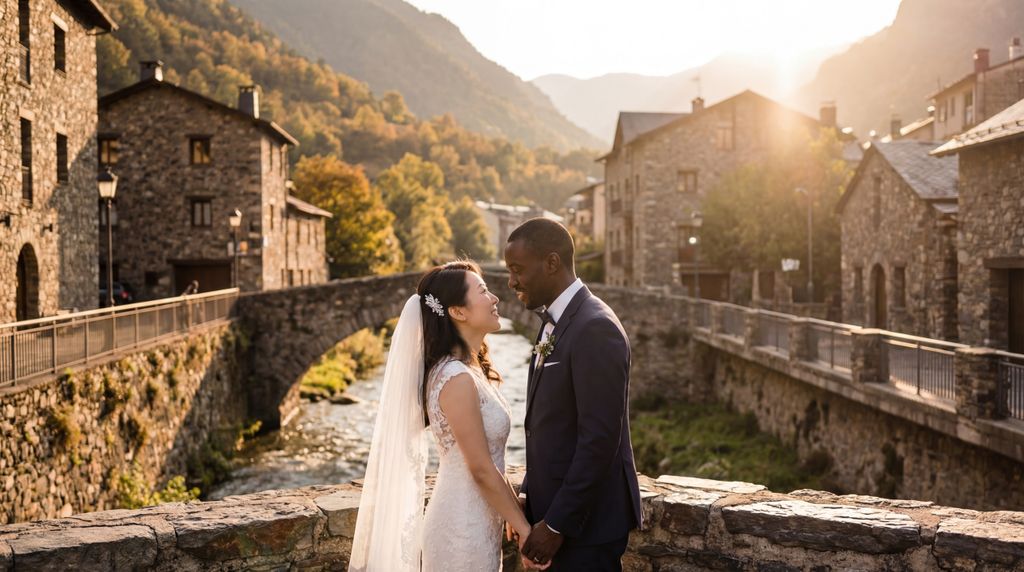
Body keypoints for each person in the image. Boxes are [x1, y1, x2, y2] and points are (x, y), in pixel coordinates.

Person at [348, 260, 545, 571]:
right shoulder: (456, 378)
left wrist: (512, 510)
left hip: (477, 522)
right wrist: (525, 530)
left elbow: (492, 461)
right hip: (461, 528)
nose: (495, 298)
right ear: (457, 311)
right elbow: (480, 467)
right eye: (483, 291)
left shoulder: (469, 370)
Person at [504, 218, 642, 571]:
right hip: (556, 513)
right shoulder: (554, 321)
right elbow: (549, 426)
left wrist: (555, 525)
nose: (511, 282)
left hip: (586, 528)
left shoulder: (595, 327)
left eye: (517, 269)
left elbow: (599, 439)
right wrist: (529, 493)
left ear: (551, 263)